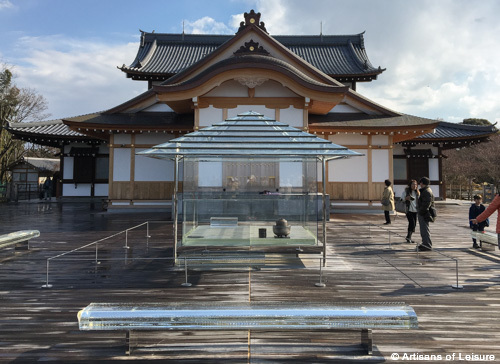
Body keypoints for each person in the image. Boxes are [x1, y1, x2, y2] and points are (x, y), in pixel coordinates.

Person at [416, 177, 435, 251]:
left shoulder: (426, 192)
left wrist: (421, 211)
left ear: (422, 183)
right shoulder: (425, 190)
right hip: (424, 212)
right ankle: (425, 243)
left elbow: (426, 203)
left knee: (424, 229)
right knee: (423, 229)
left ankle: (427, 244)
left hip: (424, 213)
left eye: (420, 183)